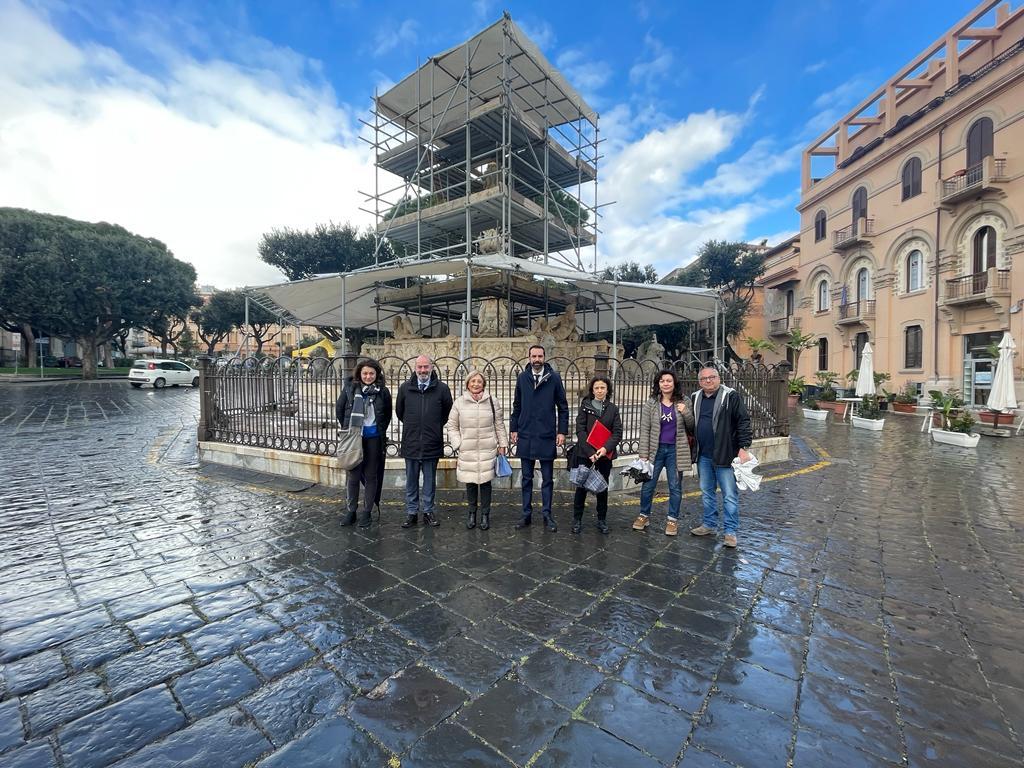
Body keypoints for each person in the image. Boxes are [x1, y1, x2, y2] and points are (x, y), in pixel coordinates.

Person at [689, 366, 752, 548]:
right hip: (703, 455)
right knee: (707, 492)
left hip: (725, 454)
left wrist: (744, 447)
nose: (708, 381)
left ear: (719, 378)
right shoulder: (696, 397)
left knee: (729, 495)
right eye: (704, 379)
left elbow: (743, 421)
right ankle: (709, 524)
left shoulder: (731, 396)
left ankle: (730, 532)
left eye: (712, 377)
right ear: (700, 381)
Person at [510, 344, 568, 532]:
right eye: (533, 356)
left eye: (540, 356)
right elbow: (516, 406)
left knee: (547, 479)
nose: (536, 359)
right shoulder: (522, 378)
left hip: (546, 435)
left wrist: (561, 432)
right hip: (526, 434)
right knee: (526, 478)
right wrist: (514, 429)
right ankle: (526, 514)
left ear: (544, 357)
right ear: (529, 358)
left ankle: (547, 514)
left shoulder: (554, 378)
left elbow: (563, 407)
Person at [633, 369, 695, 536]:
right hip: (656, 450)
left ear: (674, 383)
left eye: (669, 380)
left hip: (676, 450)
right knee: (648, 485)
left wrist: (685, 412)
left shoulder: (684, 401)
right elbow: (645, 429)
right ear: (658, 384)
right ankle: (644, 515)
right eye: (662, 381)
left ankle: (672, 520)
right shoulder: (652, 403)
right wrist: (643, 454)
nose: (666, 383)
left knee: (675, 486)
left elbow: (692, 427)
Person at [447, 370, 509, 530]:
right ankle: (472, 513)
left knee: (486, 483)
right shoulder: (459, 402)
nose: (476, 384)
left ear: (484, 384)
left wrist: (502, 444)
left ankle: (485, 515)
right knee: (471, 483)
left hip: (487, 448)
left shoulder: (491, 401)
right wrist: (458, 443)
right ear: (467, 384)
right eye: (472, 381)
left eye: (479, 381)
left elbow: (499, 424)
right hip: (468, 449)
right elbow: (452, 426)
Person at [396, 354, 453, 528]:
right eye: (419, 367)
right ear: (415, 368)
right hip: (411, 442)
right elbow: (400, 412)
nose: (423, 370)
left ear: (432, 368)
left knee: (429, 481)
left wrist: (433, 426)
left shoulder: (442, 389)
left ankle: (428, 511)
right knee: (411, 480)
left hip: (431, 442)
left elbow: (447, 412)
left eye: (425, 367)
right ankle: (412, 512)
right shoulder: (405, 388)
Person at [335, 357, 391, 528]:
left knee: (371, 475)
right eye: (365, 373)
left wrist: (377, 429)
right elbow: (340, 409)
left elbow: (386, 415)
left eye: (371, 373)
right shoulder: (350, 389)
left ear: (377, 374)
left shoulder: (383, 392)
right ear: (359, 374)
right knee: (353, 475)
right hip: (354, 437)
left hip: (374, 438)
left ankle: (367, 512)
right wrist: (350, 428)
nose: (368, 376)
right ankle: (351, 510)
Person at [571, 376, 622, 535]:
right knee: (581, 488)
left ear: (607, 390)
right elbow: (580, 430)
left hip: (604, 455)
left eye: (603, 388)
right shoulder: (585, 406)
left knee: (602, 488)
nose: (600, 391)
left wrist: (605, 449)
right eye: (596, 388)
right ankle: (577, 520)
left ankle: (601, 520)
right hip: (585, 454)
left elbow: (617, 432)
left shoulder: (613, 409)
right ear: (592, 390)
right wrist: (590, 452)